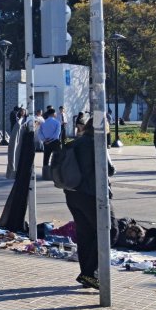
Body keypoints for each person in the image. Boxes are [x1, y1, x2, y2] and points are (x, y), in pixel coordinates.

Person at [64, 118, 116, 290]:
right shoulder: (97, 143)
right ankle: (89, 273)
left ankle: (87, 274)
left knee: (85, 233)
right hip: (92, 195)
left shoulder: (74, 143)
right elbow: (110, 169)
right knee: (109, 230)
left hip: (72, 195)